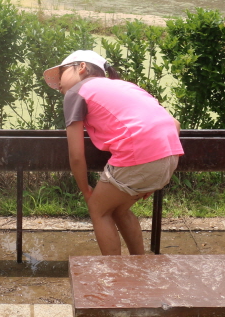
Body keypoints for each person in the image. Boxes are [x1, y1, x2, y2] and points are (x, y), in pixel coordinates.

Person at [43, 50, 183, 255]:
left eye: (62, 72)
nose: (59, 84)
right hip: (169, 155)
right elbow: (175, 124)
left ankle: (115, 277)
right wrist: (156, 170)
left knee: (98, 210)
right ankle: (139, 266)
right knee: (118, 209)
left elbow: (75, 155)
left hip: (137, 155)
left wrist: (86, 191)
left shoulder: (77, 92)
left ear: (81, 67)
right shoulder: (127, 86)